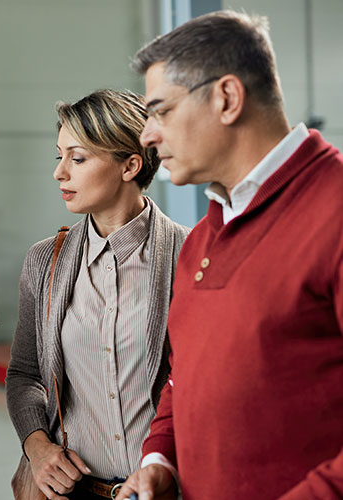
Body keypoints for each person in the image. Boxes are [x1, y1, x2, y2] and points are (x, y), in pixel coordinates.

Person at [117, 10, 343, 500]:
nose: (147, 135)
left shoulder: (335, 209)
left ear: (226, 98)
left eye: (161, 111)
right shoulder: (201, 239)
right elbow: (186, 376)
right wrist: (161, 459)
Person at [6, 89, 189, 500]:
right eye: (60, 156)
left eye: (78, 157)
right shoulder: (44, 262)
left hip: (164, 491)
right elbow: (25, 373)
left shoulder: (190, 255)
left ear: (130, 165)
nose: (60, 173)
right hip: (73, 493)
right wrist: (37, 448)